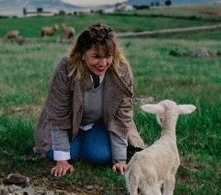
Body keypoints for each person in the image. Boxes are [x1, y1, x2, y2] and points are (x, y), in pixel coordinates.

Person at [33, 23, 146, 177]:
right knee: (62, 153)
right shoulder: (65, 68)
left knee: (100, 156)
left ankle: (89, 140)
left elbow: (123, 114)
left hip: (99, 122)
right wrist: (62, 160)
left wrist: (120, 159)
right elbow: (58, 113)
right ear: (82, 54)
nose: (103, 63)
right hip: (66, 123)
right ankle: (74, 143)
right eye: (96, 56)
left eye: (108, 56)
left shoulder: (122, 70)